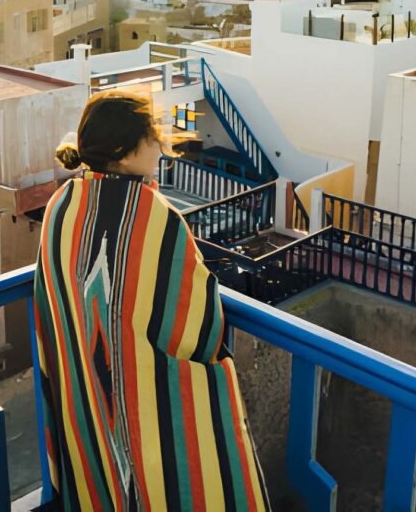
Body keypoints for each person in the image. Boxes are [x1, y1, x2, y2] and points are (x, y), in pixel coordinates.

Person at [34, 90, 270, 510]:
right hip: (141, 405)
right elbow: (194, 319)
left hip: (86, 392)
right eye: (152, 139)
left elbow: (58, 303)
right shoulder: (154, 216)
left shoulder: (62, 204)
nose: (160, 148)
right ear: (123, 153)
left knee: (102, 471)